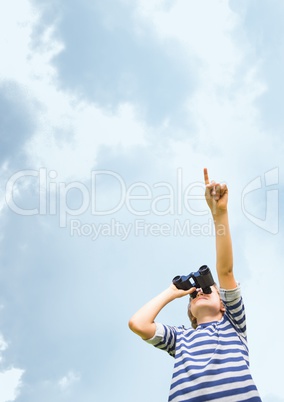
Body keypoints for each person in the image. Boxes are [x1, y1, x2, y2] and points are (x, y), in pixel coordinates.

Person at [128, 168, 262, 401]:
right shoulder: (180, 339)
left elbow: (225, 270)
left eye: (208, 289)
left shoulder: (233, 324)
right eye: (193, 296)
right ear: (190, 312)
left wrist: (219, 214)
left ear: (224, 305)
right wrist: (172, 291)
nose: (199, 291)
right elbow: (138, 324)